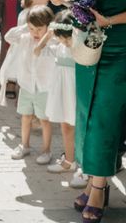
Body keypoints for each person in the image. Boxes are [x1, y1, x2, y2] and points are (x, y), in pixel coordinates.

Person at [52, 0, 126, 222]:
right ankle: (96, 177)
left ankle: (98, 186)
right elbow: (80, 1)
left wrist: (110, 21)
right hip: (88, 49)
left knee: (105, 119)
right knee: (85, 114)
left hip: (121, 51)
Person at [5, 5, 57, 164]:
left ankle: (46, 150)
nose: (35, 32)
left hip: (44, 87)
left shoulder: (53, 42)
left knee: (44, 120)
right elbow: (8, 36)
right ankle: (24, 145)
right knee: (25, 116)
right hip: (27, 85)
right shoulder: (25, 37)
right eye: (31, 28)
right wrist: (26, 27)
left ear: (48, 27)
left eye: (39, 29)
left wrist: (47, 36)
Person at [45, 10, 78, 182]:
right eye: (61, 38)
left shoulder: (80, 46)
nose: (65, 42)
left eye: (67, 38)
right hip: (61, 89)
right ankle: (69, 160)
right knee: (65, 125)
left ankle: (85, 168)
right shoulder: (58, 45)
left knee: (79, 128)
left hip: (75, 89)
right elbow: (38, 51)